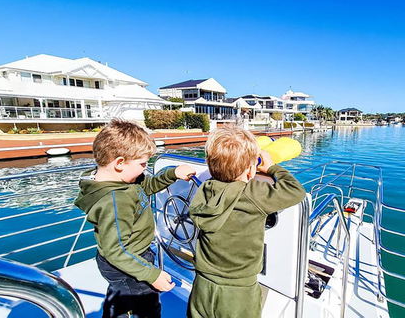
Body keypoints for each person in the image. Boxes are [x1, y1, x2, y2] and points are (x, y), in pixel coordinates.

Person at [74, 119, 195, 318]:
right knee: (146, 307)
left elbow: (145, 188)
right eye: (142, 164)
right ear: (119, 163)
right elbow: (116, 251)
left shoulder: (123, 181)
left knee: (120, 299)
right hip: (127, 263)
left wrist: (172, 174)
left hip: (128, 259)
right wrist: (152, 274)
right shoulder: (114, 201)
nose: (145, 169)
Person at [187, 125, 306, 317]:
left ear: (210, 166)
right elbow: (296, 191)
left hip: (202, 284)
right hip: (239, 291)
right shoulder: (254, 193)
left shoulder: (205, 190)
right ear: (251, 172)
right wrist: (271, 167)